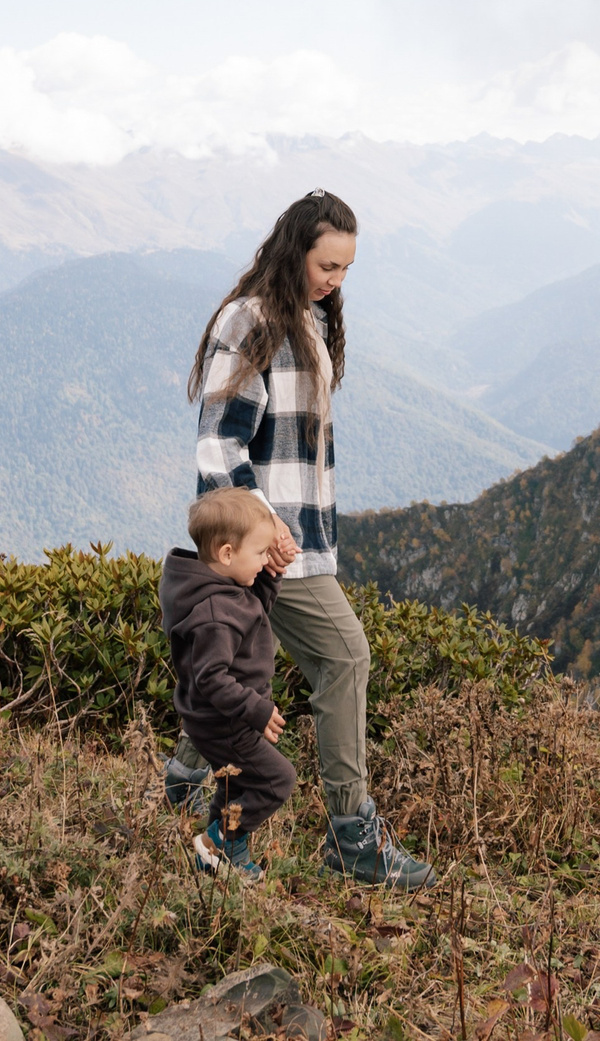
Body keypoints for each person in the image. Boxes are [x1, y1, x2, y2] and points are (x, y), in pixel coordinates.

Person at [161, 189, 435, 889]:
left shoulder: (306, 320)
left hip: (292, 544)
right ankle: (352, 837)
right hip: (267, 547)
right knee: (346, 658)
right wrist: (268, 525)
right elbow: (218, 444)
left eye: (345, 268)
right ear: (294, 249)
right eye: (326, 264)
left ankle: (182, 786)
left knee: (246, 667)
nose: (335, 280)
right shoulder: (250, 321)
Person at [161, 488, 295, 881]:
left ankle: (226, 856)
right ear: (226, 554)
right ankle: (218, 840)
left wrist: (272, 575)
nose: (264, 559)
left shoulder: (223, 591)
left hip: (216, 719)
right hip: (225, 722)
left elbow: (252, 612)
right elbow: (212, 678)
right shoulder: (216, 613)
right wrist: (256, 709)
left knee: (235, 782)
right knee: (276, 781)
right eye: (260, 553)